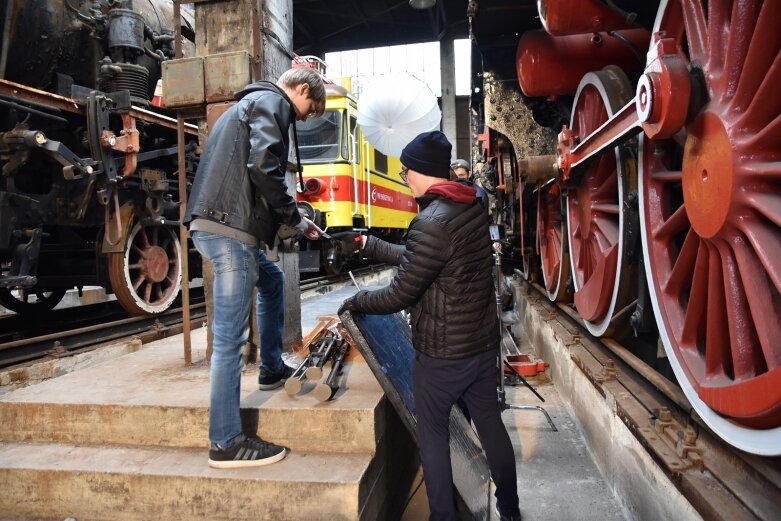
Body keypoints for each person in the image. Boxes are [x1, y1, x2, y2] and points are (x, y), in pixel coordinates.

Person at [338, 131, 521, 521]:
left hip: (443, 356)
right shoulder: (470, 204)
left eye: (405, 170)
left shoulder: (431, 221)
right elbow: (427, 256)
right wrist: (371, 245)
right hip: (481, 344)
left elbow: (398, 295)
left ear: (420, 171)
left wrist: (356, 301)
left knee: (434, 437)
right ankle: (510, 510)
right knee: (491, 426)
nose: (404, 177)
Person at [185, 66, 326, 469]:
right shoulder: (273, 102)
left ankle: (270, 369)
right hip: (230, 229)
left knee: (273, 279)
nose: (302, 118)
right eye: (308, 110)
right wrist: (294, 217)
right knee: (230, 339)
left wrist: (297, 218)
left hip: (218, 222)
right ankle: (225, 441)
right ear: (301, 89)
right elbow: (264, 167)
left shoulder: (245, 105)